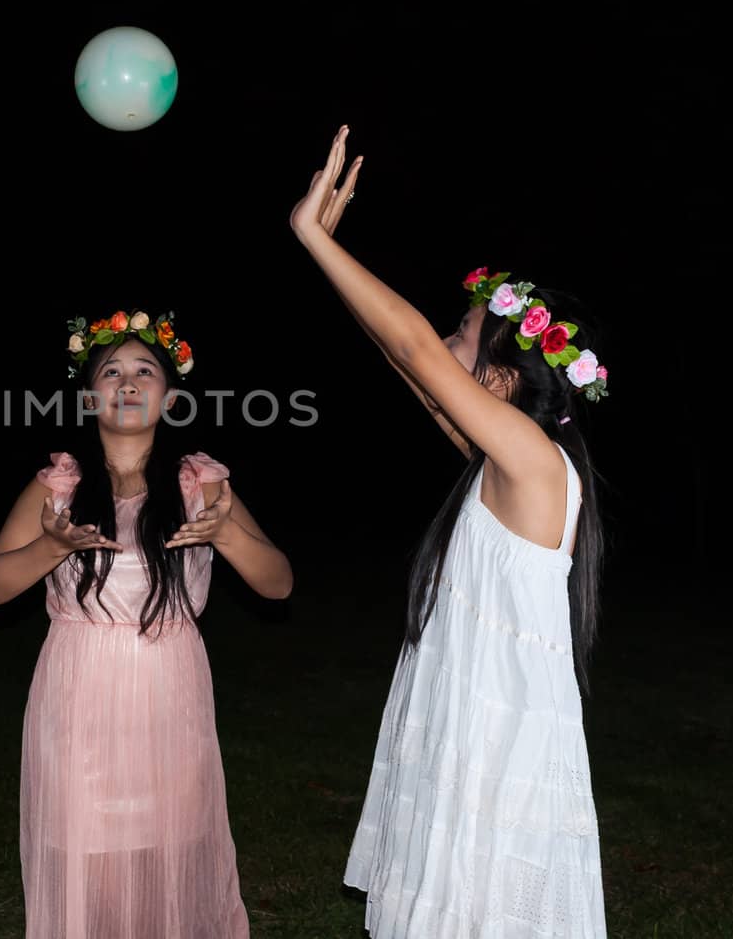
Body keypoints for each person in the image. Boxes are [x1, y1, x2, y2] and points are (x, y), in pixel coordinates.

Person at [289, 126, 609, 937]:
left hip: (502, 746)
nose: (445, 339)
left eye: (462, 336)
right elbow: (413, 367)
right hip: (470, 720)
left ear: (500, 378)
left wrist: (314, 238)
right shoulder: (501, 459)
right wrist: (332, 269)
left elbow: (413, 347)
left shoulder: (534, 461)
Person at [0, 311, 293, 937]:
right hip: (79, 697)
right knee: (87, 859)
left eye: (144, 371)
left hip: (168, 696)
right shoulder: (58, 486)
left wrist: (225, 530)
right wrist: (51, 548)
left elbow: (277, 582)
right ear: (89, 393)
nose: (126, 382)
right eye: (111, 371)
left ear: (169, 397)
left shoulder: (199, 483)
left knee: (167, 856)